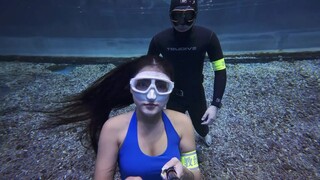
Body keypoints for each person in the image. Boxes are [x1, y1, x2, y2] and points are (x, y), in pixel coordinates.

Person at [47, 55, 201, 180]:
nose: (152, 95)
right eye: (142, 84)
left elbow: (196, 176)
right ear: (130, 88)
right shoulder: (112, 129)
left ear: (170, 90)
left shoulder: (183, 123)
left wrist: (185, 175)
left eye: (161, 86)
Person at [147, 0, 227, 146]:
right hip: (172, 93)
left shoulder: (208, 37)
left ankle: (203, 134)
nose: (182, 23)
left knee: (202, 126)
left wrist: (215, 104)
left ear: (195, 15)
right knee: (173, 129)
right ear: (170, 15)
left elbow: (220, 70)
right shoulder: (159, 40)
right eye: (177, 16)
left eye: (188, 16)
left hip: (196, 94)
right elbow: (148, 69)